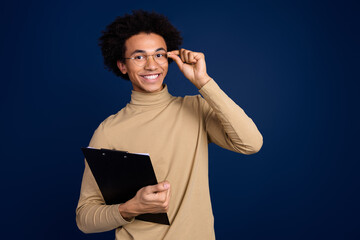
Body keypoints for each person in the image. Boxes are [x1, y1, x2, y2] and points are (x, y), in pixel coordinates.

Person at [76, 10, 263, 240]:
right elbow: (85, 217)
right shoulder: (109, 130)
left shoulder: (196, 108)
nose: (151, 65)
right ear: (122, 66)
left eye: (159, 55)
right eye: (139, 57)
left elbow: (251, 143)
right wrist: (130, 208)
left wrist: (203, 82)